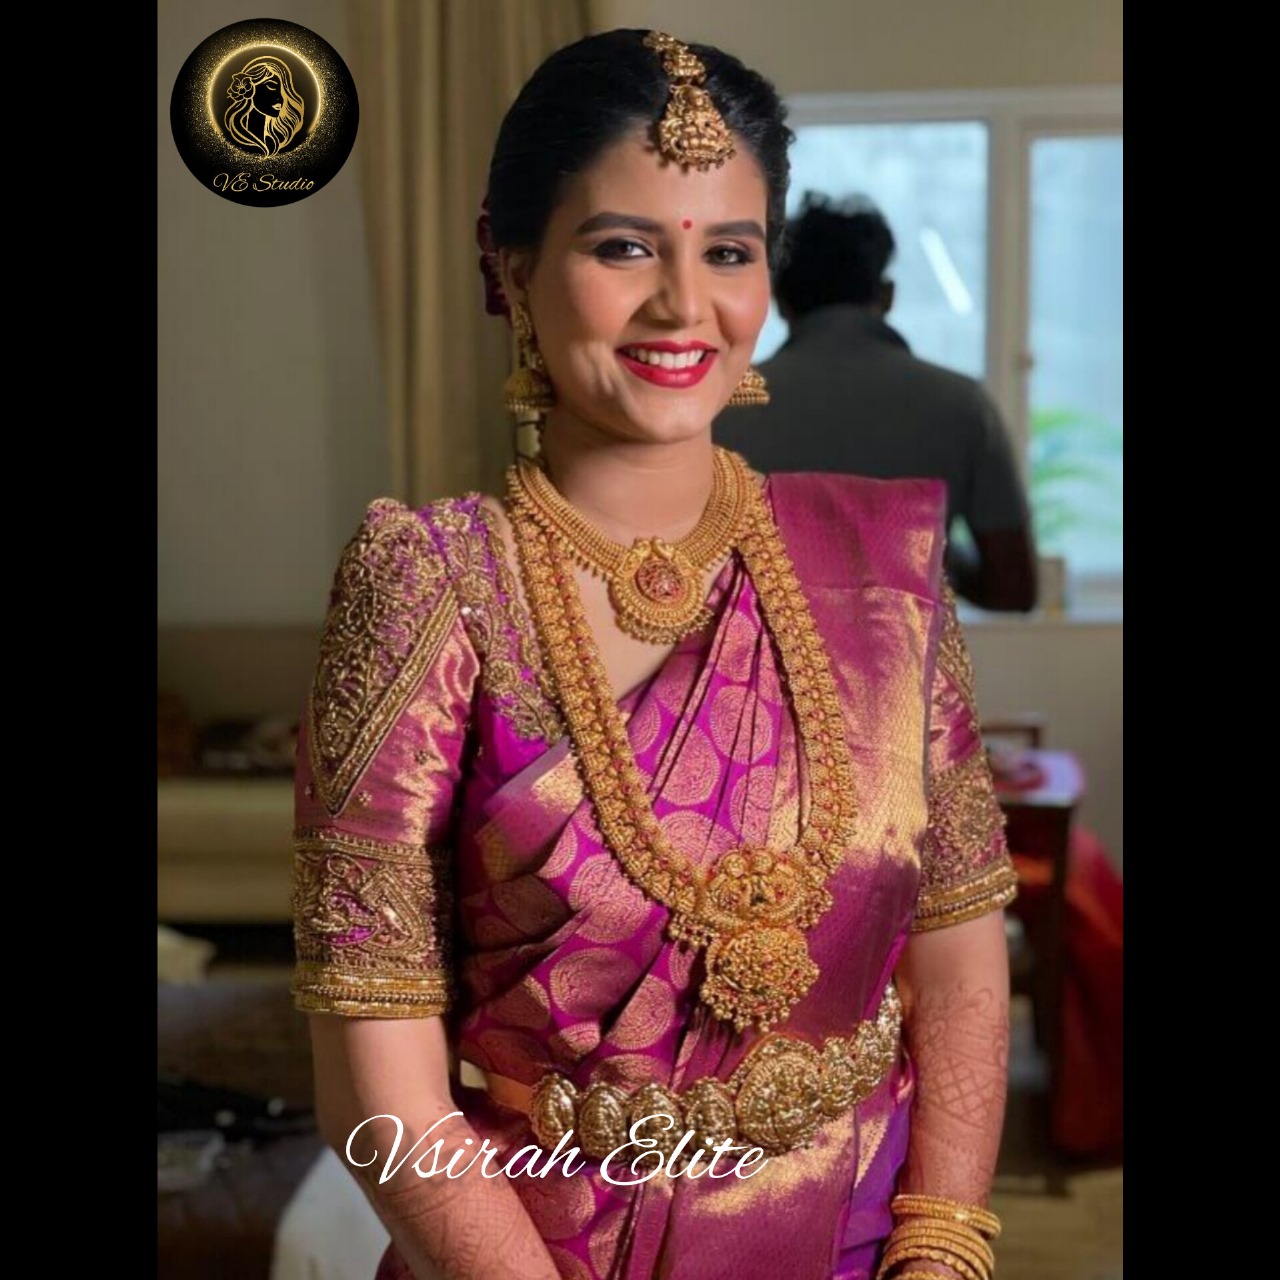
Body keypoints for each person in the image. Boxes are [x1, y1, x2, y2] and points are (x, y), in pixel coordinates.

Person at [292, 29, 1016, 1280]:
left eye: (727, 251)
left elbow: (957, 960)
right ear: (509, 265)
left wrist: (941, 1245)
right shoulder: (428, 582)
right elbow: (378, 1081)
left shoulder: (881, 572)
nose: (685, 306)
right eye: (623, 246)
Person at [715, 193, 1038, 613]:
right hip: (904, 652)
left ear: (779, 301)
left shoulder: (721, 406)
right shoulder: (962, 405)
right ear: (886, 296)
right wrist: (919, 547)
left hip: (757, 652)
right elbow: (1013, 588)